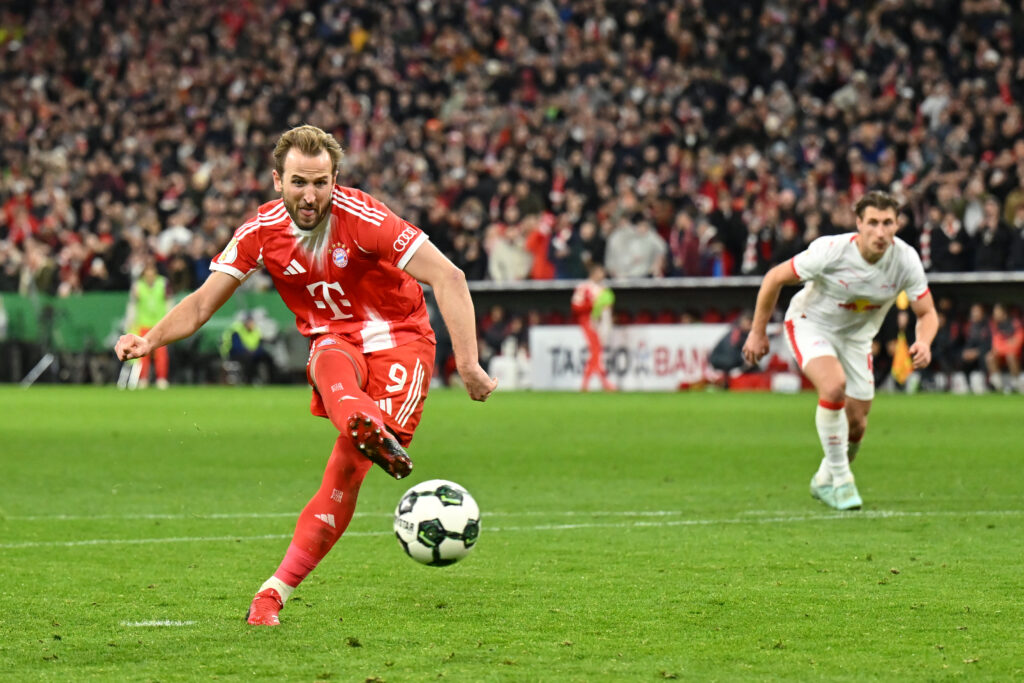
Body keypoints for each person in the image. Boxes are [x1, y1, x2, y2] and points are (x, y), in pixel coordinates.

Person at [115, 125, 497, 626]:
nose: (310, 195)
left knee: (346, 471)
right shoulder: (261, 231)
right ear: (278, 181)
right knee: (327, 357)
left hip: (400, 341)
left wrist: (466, 365)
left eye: (320, 183)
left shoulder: (366, 218)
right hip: (334, 341)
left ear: (335, 179)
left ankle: (274, 590)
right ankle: (362, 422)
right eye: (299, 182)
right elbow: (203, 302)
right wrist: (150, 340)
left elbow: (449, 276)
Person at [742, 191, 937, 511]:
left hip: (856, 339)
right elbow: (774, 277)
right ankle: (844, 481)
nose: (880, 231)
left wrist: (924, 341)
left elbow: (927, 313)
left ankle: (823, 479)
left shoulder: (905, 259)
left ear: (897, 225)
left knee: (857, 424)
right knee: (833, 386)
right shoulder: (830, 251)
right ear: (858, 223)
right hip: (810, 324)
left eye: (887, 223)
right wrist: (757, 332)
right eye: (872, 222)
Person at [124, 260, 171, 389]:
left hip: (159, 324)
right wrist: (130, 321)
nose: (150, 276)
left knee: (161, 354)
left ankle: (161, 379)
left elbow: (168, 303)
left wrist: (169, 320)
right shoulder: (138, 286)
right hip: (143, 323)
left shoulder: (163, 283)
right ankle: (143, 379)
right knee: (142, 354)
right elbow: (133, 305)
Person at [571, 262, 616, 392]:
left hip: (601, 322)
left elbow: (607, 305)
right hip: (588, 321)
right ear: (594, 273)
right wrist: (591, 305)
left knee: (597, 351)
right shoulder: (584, 287)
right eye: (600, 272)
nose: (602, 275)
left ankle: (589, 383)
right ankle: (601, 383)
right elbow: (575, 306)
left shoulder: (604, 289)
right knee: (596, 350)